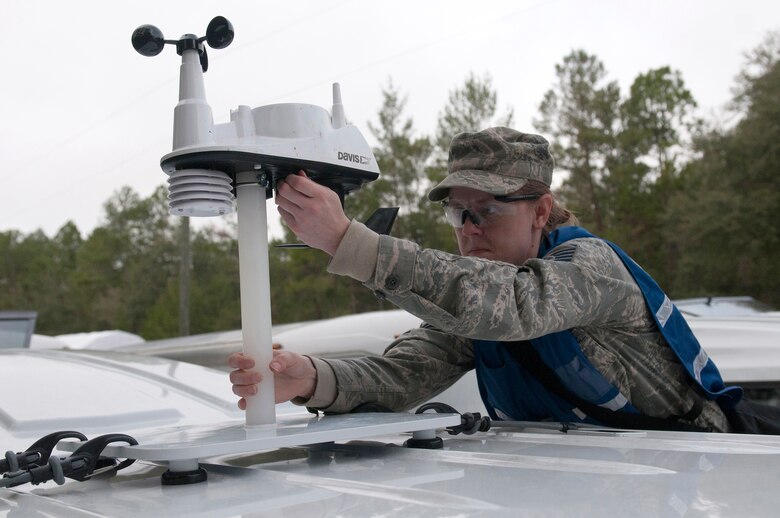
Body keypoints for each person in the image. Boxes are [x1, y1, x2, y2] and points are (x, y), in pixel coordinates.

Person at [229, 127, 740, 432]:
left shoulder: (591, 269)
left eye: (488, 210)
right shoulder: (476, 308)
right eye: (458, 214)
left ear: (541, 211)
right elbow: (404, 375)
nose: (469, 231)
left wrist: (350, 242)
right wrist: (312, 378)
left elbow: (515, 307)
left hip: (695, 475)